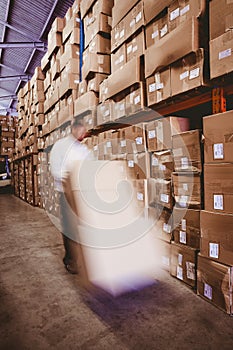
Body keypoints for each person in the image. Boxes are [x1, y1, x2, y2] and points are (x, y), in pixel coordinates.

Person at [50, 119, 92, 274]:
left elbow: (90, 166)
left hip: (83, 193)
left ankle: (85, 259)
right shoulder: (60, 146)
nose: (84, 133)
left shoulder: (83, 149)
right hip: (66, 193)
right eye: (82, 130)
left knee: (83, 226)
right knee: (69, 227)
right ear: (74, 129)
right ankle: (70, 260)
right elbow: (55, 169)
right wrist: (70, 178)